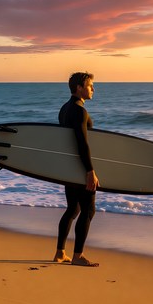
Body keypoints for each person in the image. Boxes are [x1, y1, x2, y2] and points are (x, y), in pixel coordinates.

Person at [53, 72, 100, 267]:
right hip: (80, 168)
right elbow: (81, 143)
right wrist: (90, 171)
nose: (93, 89)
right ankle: (78, 256)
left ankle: (60, 252)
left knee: (73, 209)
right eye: (90, 86)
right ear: (79, 87)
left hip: (69, 167)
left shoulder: (65, 108)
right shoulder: (80, 111)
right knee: (88, 210)